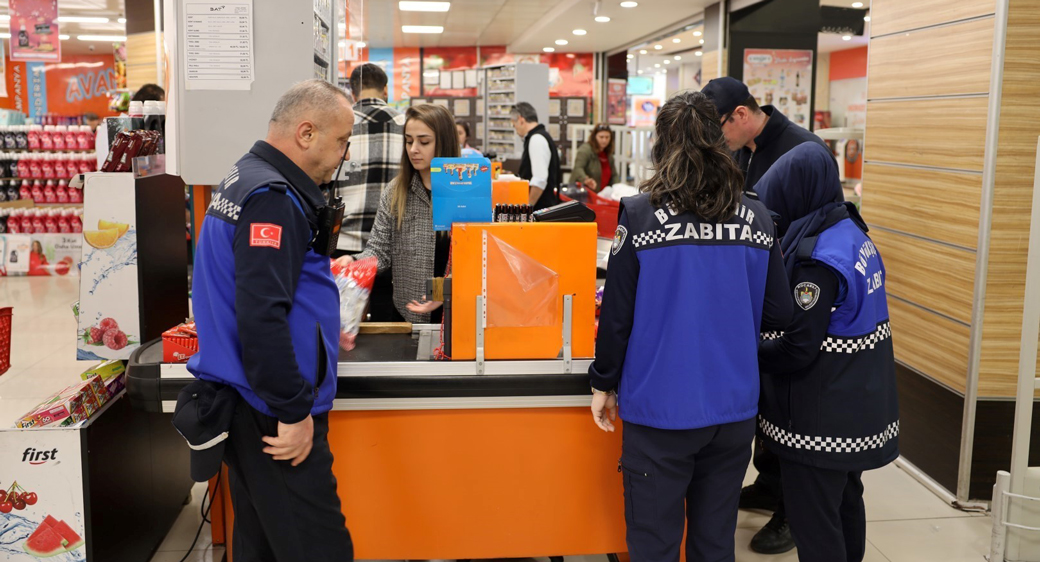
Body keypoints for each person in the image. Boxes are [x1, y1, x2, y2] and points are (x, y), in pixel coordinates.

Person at [589, 91, 793, 562]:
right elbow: (779, 313)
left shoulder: (640, 215)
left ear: (662, 145)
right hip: (734, 410)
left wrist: (603, 382)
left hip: (660, 410)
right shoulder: (759, 216)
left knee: (655, 542)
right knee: (714, 541)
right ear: (719, 139)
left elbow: (616, 315)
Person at [186, 79, 355, 561]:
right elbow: (262, 317)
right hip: (270, 409)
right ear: (306, 133)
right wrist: (292, 411)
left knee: (261, 542)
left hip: (246, 399)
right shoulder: (274, 199)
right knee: (318, 548)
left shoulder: (245, 176)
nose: (343, 154)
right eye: (341, 140)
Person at [702, 76, 830, 553]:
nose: (717, 144)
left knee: (790, 400)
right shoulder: (739, 152)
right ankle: (769, 482)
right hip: (749, 286)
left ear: (739, 115)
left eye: (717, 130)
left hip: (794, 286)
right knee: (763, 399)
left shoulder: (803, 150)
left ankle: (790, 513)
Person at [755, 142, 899, 562]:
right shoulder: (852, 232)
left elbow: (800, 347)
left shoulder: (818, 258)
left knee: (814, 521)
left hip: (822, 419)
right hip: (859, 404)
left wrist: (749, 349)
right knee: (846, 504)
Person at [337, 104, 460, 324]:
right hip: (408, 314)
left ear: (444, 143)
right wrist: (354, 261)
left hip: (455, 315)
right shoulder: (396, 191)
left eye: (424, 142)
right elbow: (379, 250)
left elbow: (473, 258)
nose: (413, 149)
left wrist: (441, 293)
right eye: (408, 140)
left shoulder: (465, 190)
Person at [702, 77, 829, 195]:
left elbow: (828, 216)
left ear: (741, 114)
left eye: (718, 128)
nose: (717, 137)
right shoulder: (732, 149)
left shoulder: (806, 152)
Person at [338, 62, 406, 254]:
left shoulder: (339, 127)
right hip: (393, 248)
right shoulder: (409, 128)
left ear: (353, 93)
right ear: (385, 90)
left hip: (345, 245)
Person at [510, 102, 560, 210]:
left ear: (521, 120)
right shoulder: (541, 136)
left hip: (540, 210)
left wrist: (526, 208)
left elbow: (539, 180)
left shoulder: (536, 139)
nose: (516, 131)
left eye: (514, 125)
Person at [571, 123, 617, 193]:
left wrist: (618, 188)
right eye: (601, 137)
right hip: (583, 193)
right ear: (594, 137)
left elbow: (614, 175)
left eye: (607, 137)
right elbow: (578, 168)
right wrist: (585, 180)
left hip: (601, 195)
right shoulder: (585, 150)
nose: (604, 140)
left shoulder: (608, 154)